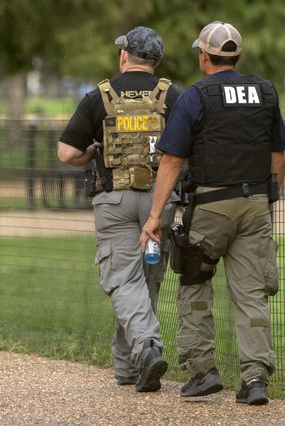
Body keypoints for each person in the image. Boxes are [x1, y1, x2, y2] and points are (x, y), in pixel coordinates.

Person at [139, 21, 285, 405]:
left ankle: (203, 372)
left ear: (204, 56)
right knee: (251, 294)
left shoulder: (196, 96)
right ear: (237, 55)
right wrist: (267, 201)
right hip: (255, 205)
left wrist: (155, 215)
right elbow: (277, 155)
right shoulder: (266, 92)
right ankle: (255, 379)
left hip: (209, 207)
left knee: (194, 285)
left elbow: (173, 159)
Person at [57, 26, 181, 392]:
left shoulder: (100, 97)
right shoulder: (172, 95)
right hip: (162, 202)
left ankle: (145, 349)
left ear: (124, 56)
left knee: (124, 281)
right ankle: (130, 368)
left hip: (115, 203)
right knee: (147, 279)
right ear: (156, 61)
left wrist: (94, 151)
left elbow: (66, 153)